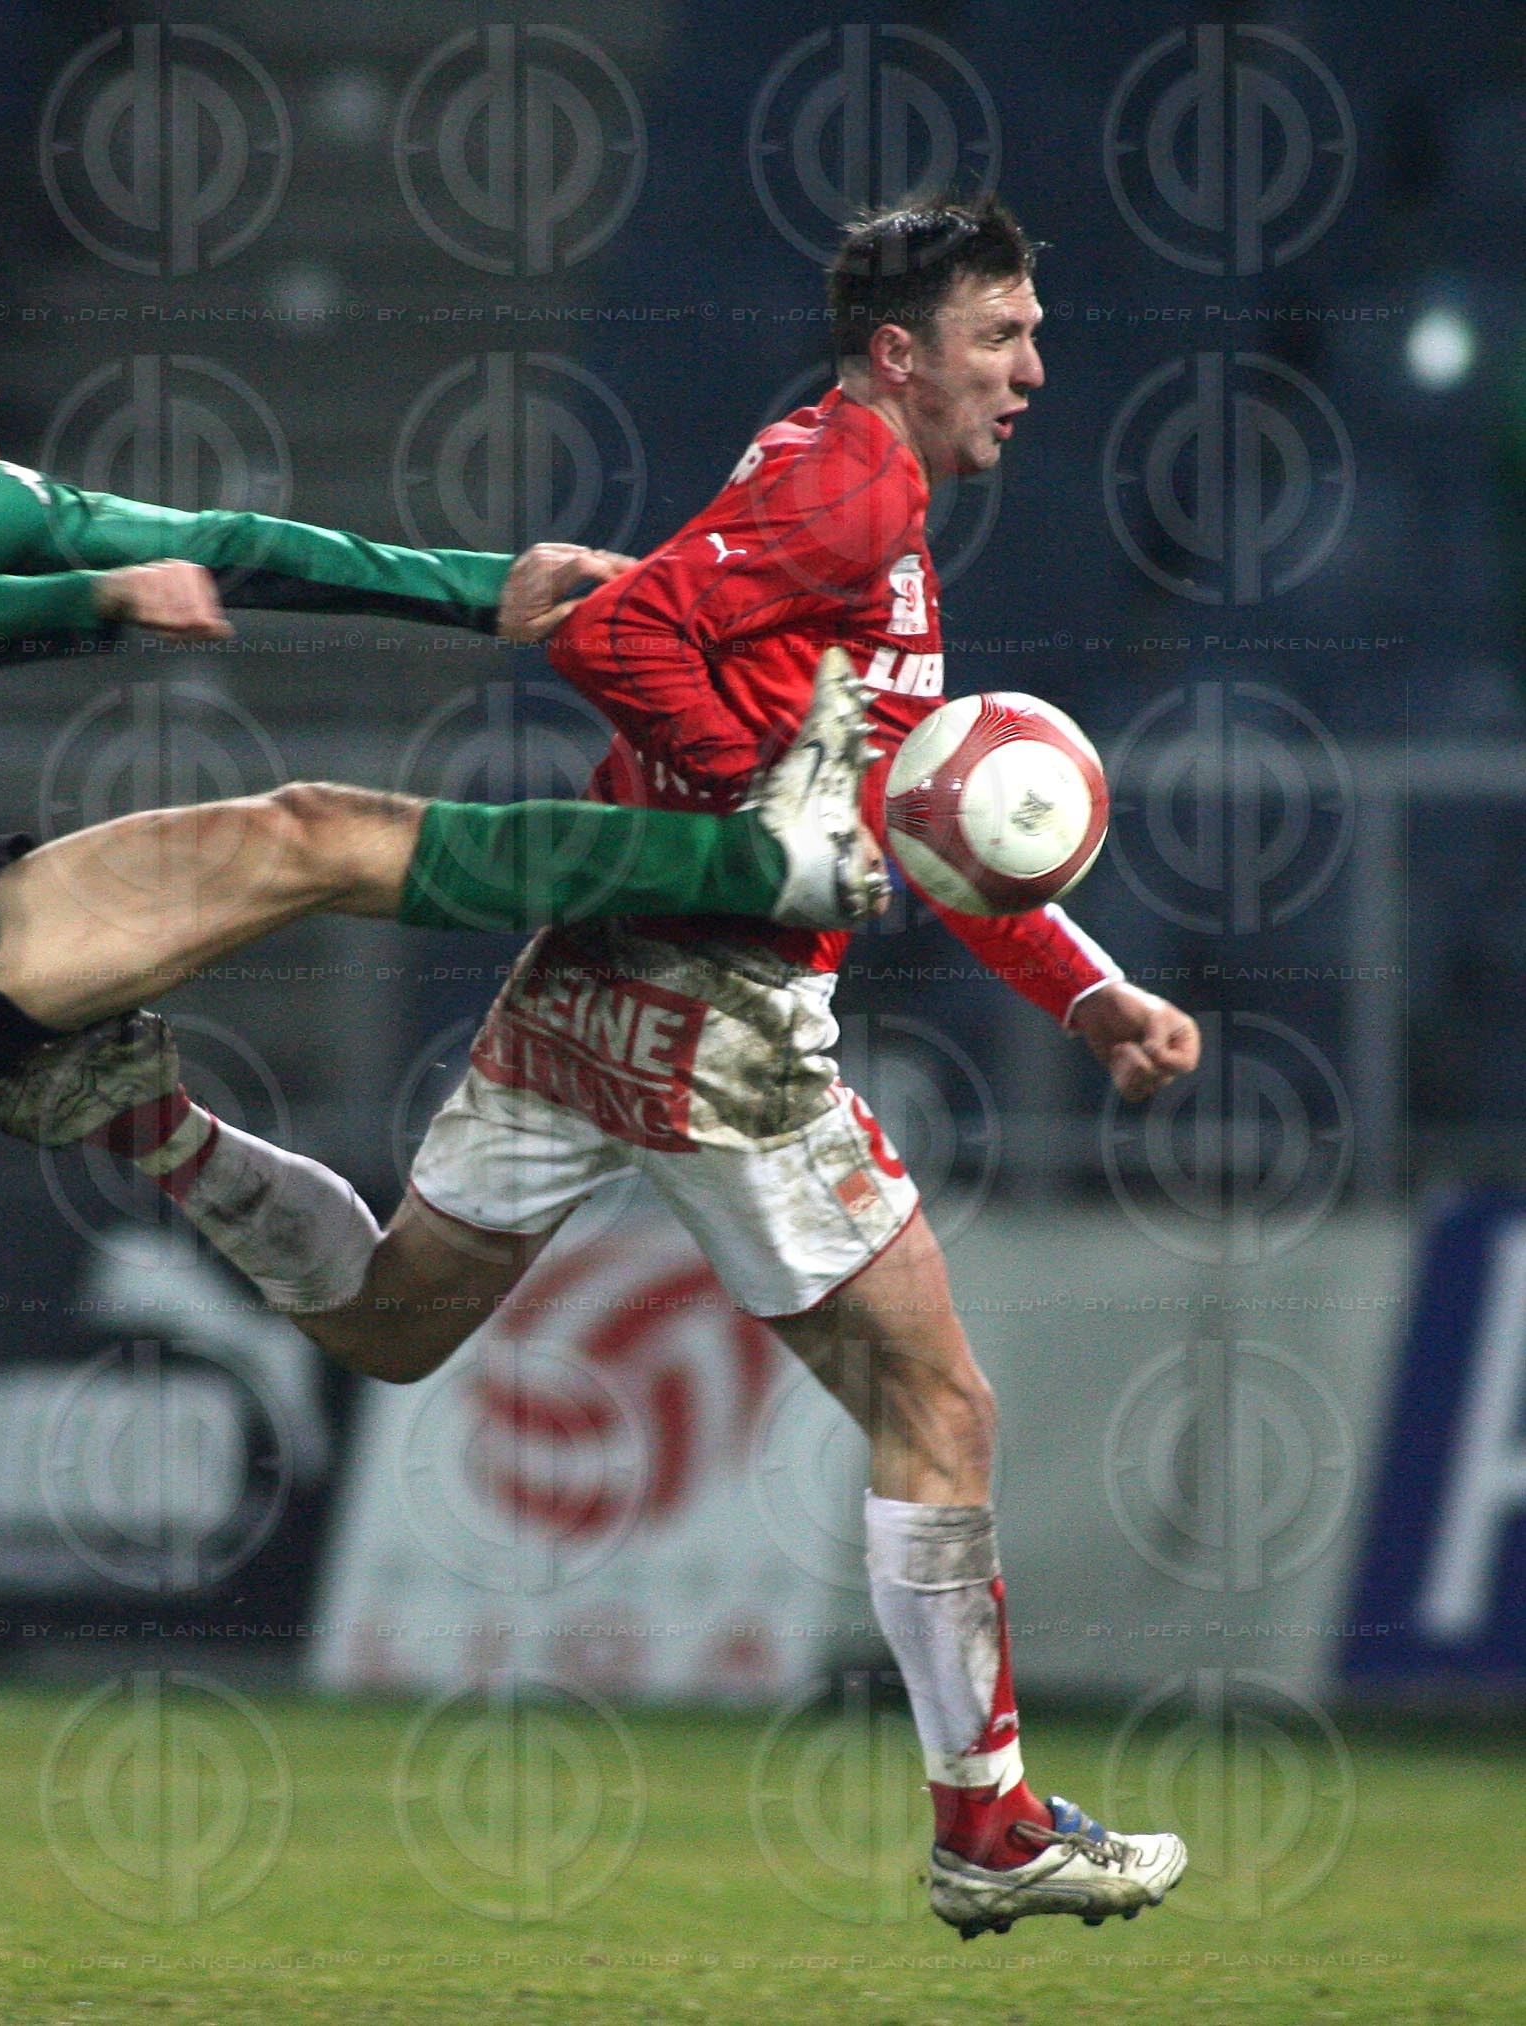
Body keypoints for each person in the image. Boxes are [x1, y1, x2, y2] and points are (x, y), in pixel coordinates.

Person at [0, 280, 888, 1888]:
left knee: (307, 831)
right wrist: (94, 602)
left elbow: (228, 537)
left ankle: (773, 853)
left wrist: (485, 586)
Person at [283, 198, 1203, 1938]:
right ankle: (985, 1826)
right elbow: (614, 634)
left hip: (598, 974)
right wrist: (763, 812)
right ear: (899, 352)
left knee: (392, 1320)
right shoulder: (855, 480)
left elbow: (901, 819)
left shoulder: (845, 478)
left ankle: (161, 1127)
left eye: (1033, 330)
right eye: (1001, 334)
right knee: (938, 1411)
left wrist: (1082, 991)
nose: (1032, 366)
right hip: (726, 1011)